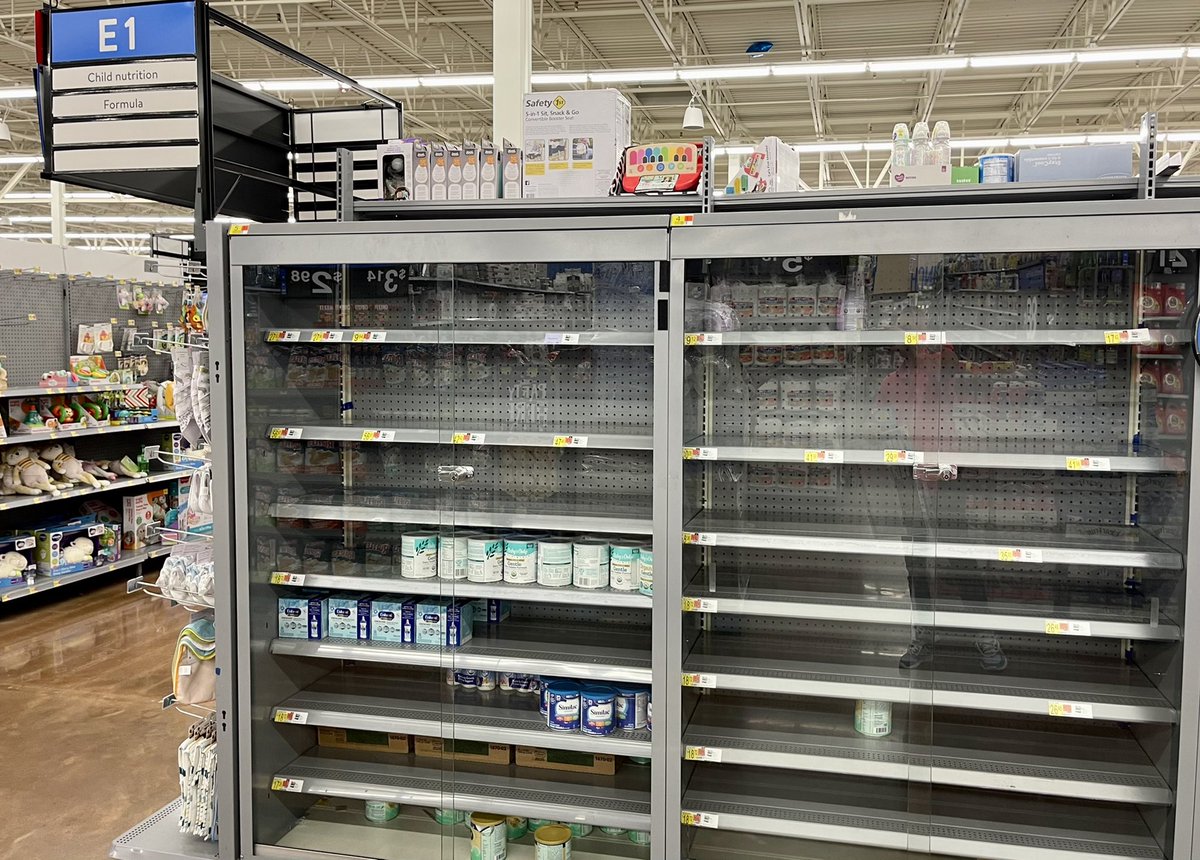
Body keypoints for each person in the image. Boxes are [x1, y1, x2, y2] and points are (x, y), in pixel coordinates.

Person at [876, 342, 1007, 671]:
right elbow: (878, 429)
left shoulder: (951, 377)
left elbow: (952, 364)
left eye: (934, 349)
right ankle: (923, 634)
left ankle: (985, 634)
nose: (930, 354)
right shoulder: (891, 384)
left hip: (948, 477)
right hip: (909, 480)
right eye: (922, 349)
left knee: (960, 558)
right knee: (916, 563)